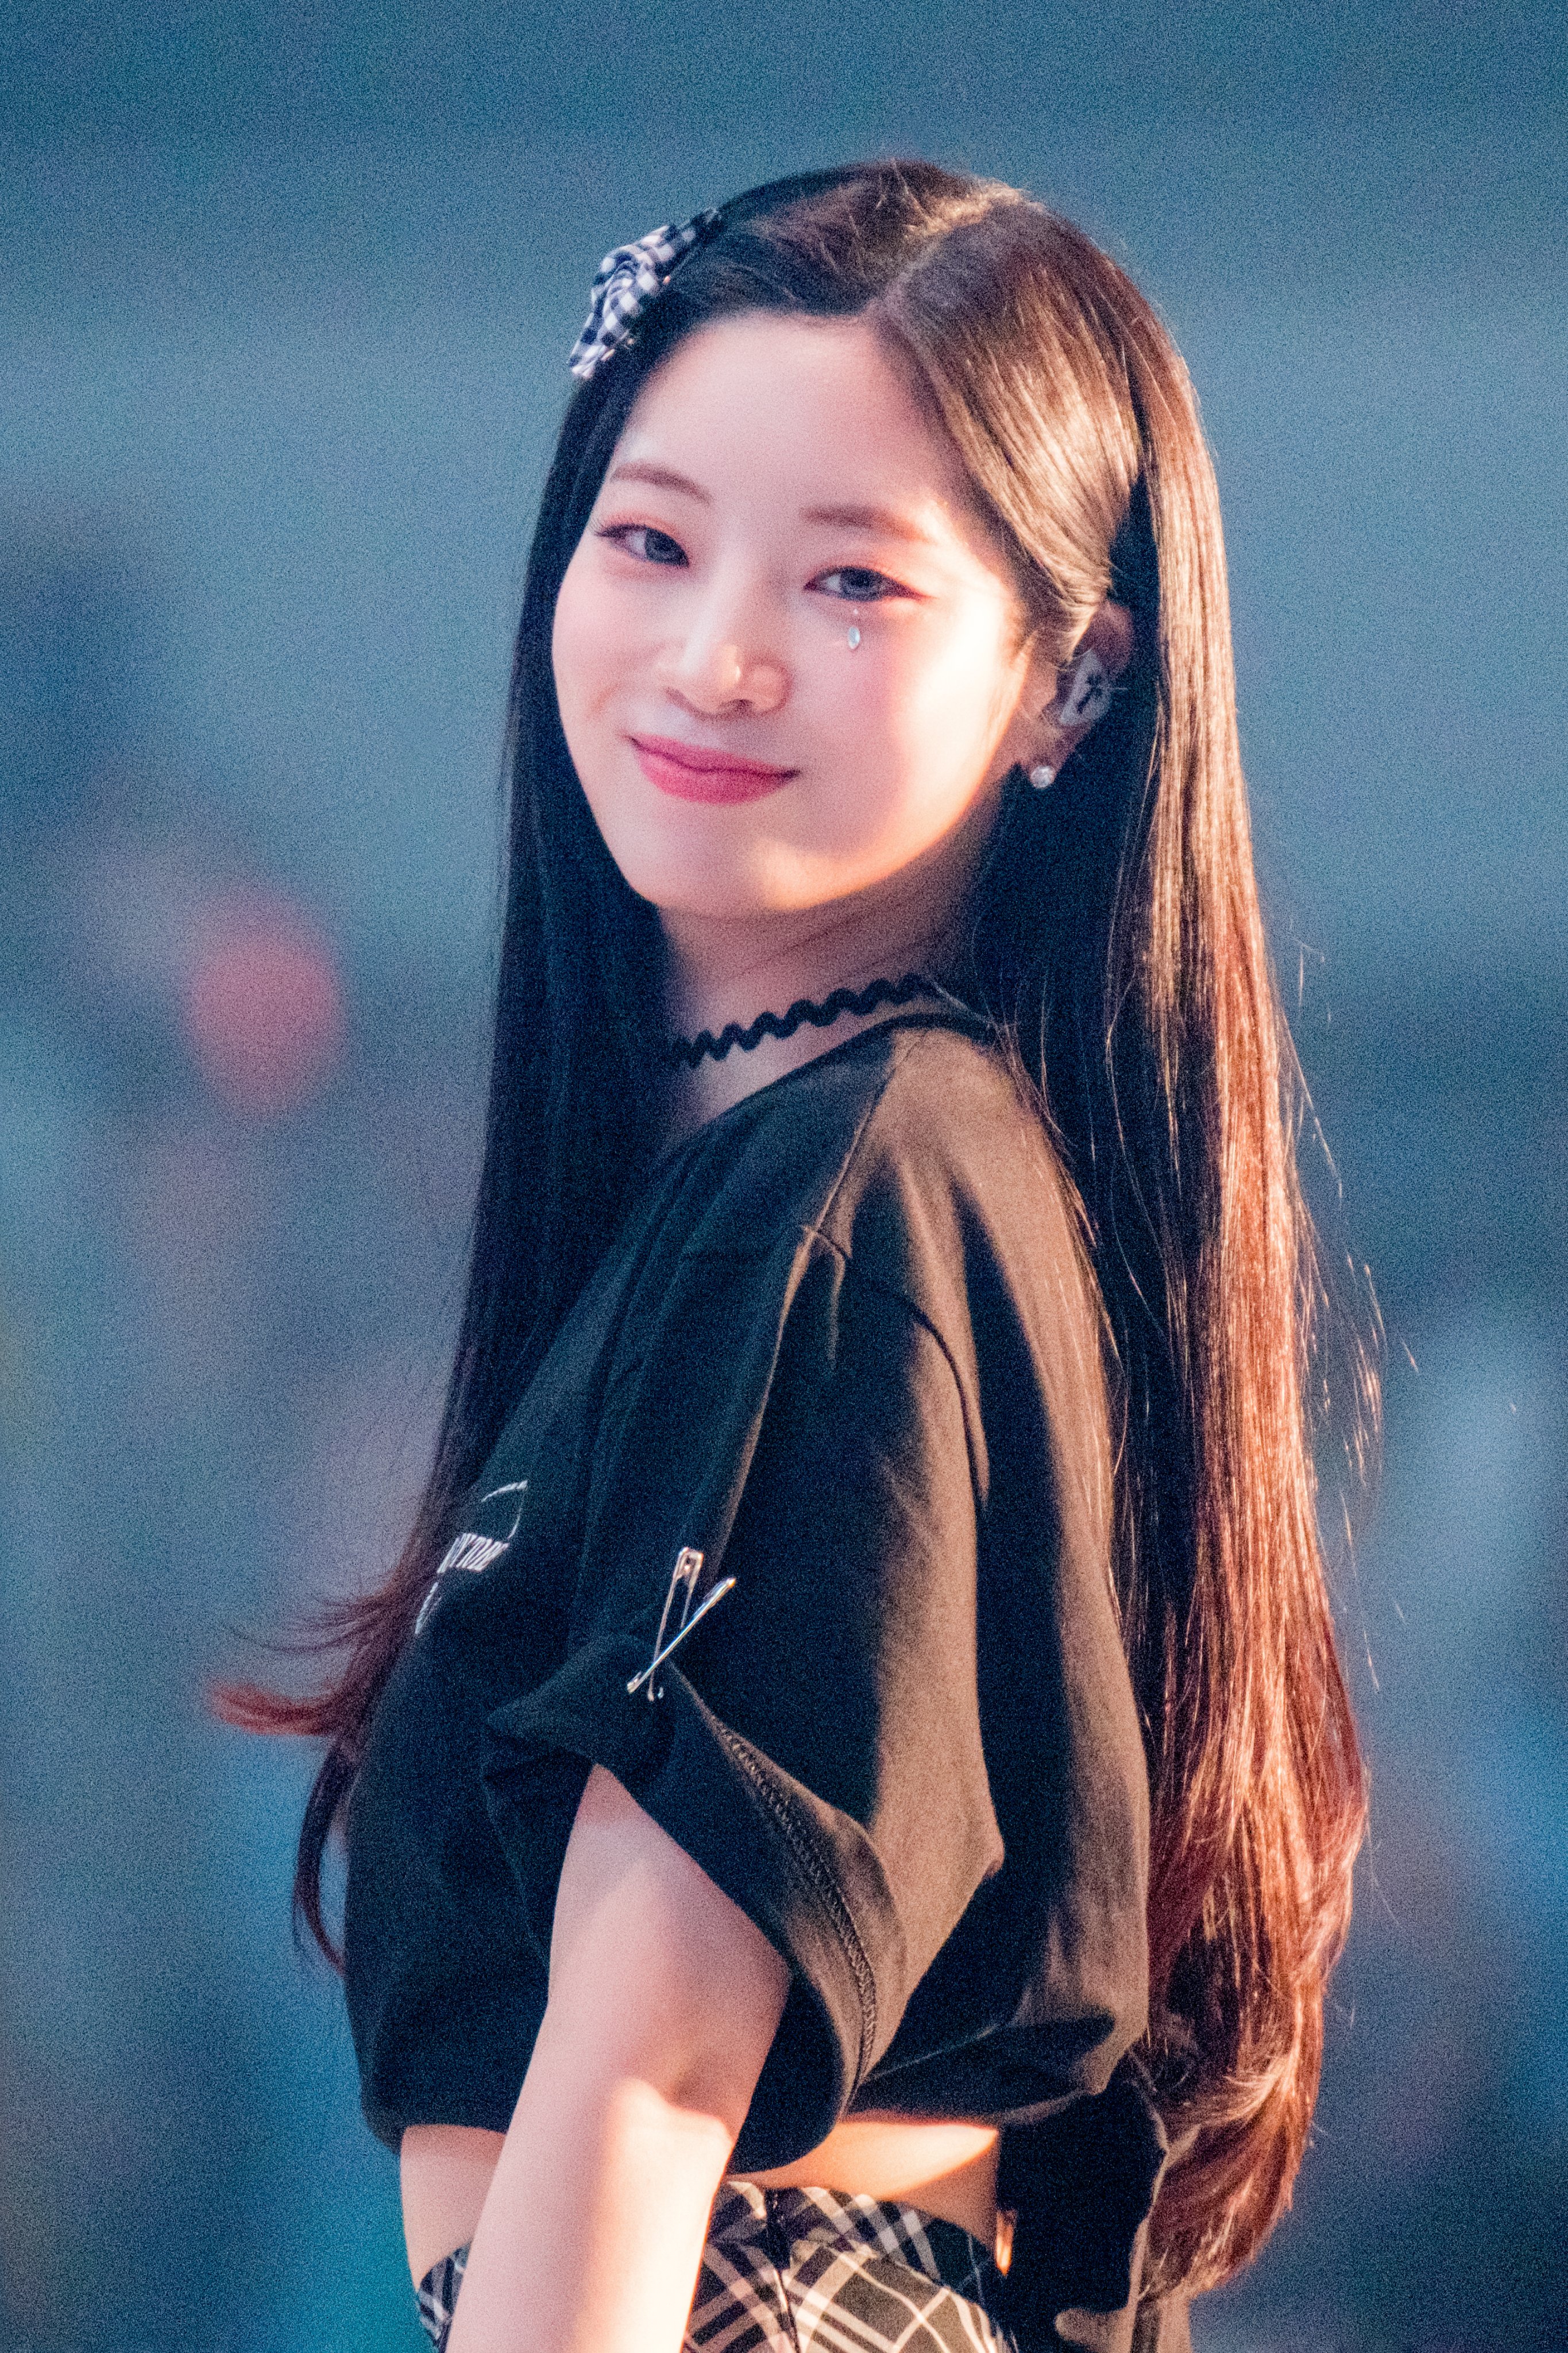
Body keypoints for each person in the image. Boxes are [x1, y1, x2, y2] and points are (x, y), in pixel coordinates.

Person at [225, 161, 1366, 2352]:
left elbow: (652, 2069)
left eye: (852, 581)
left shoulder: (863, 1194)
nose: (713, 654)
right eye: (651, 541)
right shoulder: (785, 1180)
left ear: (1068, 682)